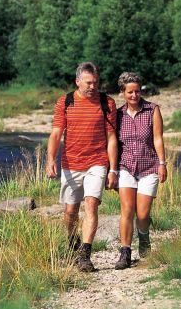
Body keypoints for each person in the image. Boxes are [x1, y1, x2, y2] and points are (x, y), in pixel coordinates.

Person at [46, 62, 118, 272]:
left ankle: (85, 255)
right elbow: (56, 133)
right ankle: (72, 244)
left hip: (97, 162)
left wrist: (112, 169)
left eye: (95, 82)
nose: (92, 87)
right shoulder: (65, 102)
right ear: (77, 81)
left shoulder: (107, 103)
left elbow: (111, 138)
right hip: (71, 163)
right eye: (88, 83)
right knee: (70, 211)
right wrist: (50, 159)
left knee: (91, 204)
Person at [114, 72, 167, 270]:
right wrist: (112, 170)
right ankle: (125, 252)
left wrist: (162, 163)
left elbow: (158, 138)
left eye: (137, 91)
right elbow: (114, 143)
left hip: (149, 166)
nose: (134, 95)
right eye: (130, 92)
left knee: (143, 215)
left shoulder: (152, 110)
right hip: (125, 166)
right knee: (127, 210)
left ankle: (144, 239)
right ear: (122, 93)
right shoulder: (118, 115)